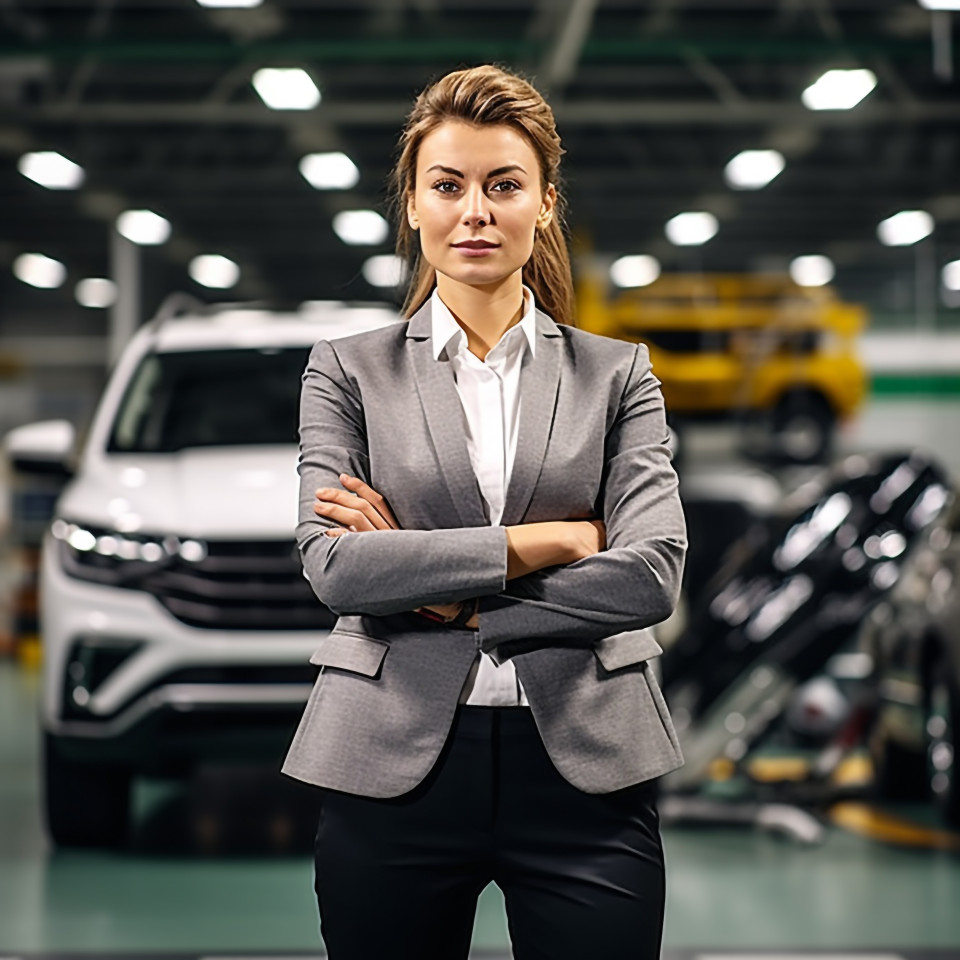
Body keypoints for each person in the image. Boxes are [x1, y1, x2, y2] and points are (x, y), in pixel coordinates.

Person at [281, 63, 687, 960]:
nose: (476, 211)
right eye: (449, 185)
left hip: (586, 764)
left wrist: (447, 591)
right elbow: (337, 566)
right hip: (390, 764)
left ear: (543, 204)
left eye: (504, 186)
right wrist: (545, 542)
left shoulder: (617, 376)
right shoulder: (348, 371)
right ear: (415, 205)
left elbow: (651, 574)